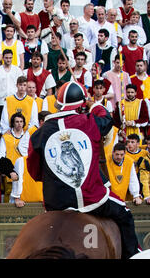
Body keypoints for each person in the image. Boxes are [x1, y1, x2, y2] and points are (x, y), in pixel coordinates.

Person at [27, 80, 140, 259]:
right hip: (91, 198)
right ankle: (133, 254)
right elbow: (107, 118)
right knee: (124, 214)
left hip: (56, 203)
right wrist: (93, 104)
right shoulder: (89, 121)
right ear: (81, 106)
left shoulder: (38, 135)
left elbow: (34, 173)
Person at [0, 112, 30, 203]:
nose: (19, 124)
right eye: (17, 121)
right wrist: (4, 170)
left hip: (24, 171)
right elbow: (1, 155)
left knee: (23, 194)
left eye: (21, 121)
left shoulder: (28, 137)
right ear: (13, 123)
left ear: (24, 123)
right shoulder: (6, 137)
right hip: (11, 171)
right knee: (9, 193)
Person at [0, 49, 23, 120]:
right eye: (6, 58)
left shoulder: (17, 70)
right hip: (2, 101)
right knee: (3, 123)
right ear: (3, 58)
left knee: (16, 121)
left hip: (15, 100)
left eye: (10, 58)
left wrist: (21, 99)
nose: (8, 60)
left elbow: (22, 86)